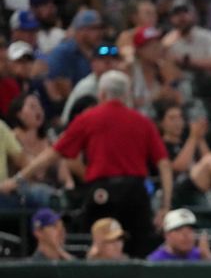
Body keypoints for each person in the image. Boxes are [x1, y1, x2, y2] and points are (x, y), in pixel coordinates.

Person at [16, 70, 173, 258]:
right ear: (126, 94)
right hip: (136, 193)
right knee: (140, 253)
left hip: (103, 193)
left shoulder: (89, 118)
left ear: (102, 94)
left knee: (96, 248)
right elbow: (164, 165)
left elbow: (53, 153)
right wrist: (165, 206)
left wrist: (19, 178)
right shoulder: (143, 122)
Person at [44, 9, 104, 104]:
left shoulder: (101, 50)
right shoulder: (63, 53)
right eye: (94, 28)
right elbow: (64, 91)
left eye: (100, 28)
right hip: (73, 107)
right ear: (80, 31)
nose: (99, 33)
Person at [147, 208, 211, 261]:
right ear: (166, 235)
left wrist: (208, 259)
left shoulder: (199, 255)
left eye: (190, 229)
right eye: (179, 229)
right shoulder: (155, 261)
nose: (186, 235)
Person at [162, 0, 211, 77]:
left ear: (193, 14)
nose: (182, 17)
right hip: (181, 82)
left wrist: (185, 61)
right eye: (177, 13)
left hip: (207, 81)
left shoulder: (207, 35)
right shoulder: (168, 40)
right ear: (171, 18)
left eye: (185, 11)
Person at [60, 42, 120, 125]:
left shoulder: (119, 84)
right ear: (93, 64)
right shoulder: (87, 87)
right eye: (104, 60)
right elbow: (71, 121)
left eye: (114, 59)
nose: (109, 64)